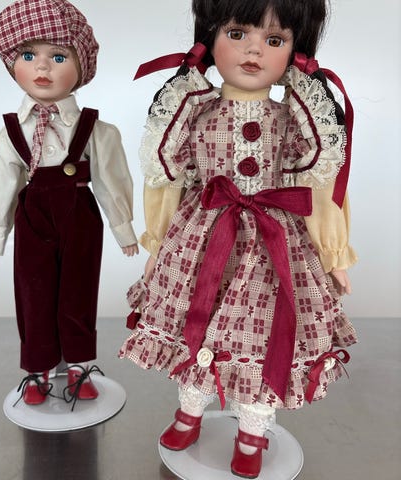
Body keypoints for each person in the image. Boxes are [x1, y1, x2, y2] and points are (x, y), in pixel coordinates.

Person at [119, 0, 357, 477]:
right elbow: (166, 181)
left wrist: (333, 254)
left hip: (275, 248)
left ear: (296, 52)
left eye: (274, 40)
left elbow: (320, 190)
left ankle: (253, 431)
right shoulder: (194, 112)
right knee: (199, 327)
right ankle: (190, 412)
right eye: (237, 34)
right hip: (203, 240)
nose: (254, 50)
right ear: (210, 38)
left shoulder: (296, 120)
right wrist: (158, 244)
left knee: (264, 339)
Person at [0, 0, 138, 407]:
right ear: (12, 64)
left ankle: (79, 365)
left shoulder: (95, 129)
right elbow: (2, 180)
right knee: (33, 291)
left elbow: (110, 178)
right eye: (27, 55)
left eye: (58, 56)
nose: (42, 67)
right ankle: (37, 369)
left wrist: (122, 227)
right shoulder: (12, 131)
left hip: (79, 213)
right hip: (33, 215)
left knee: (78, 290)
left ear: (81, 66)